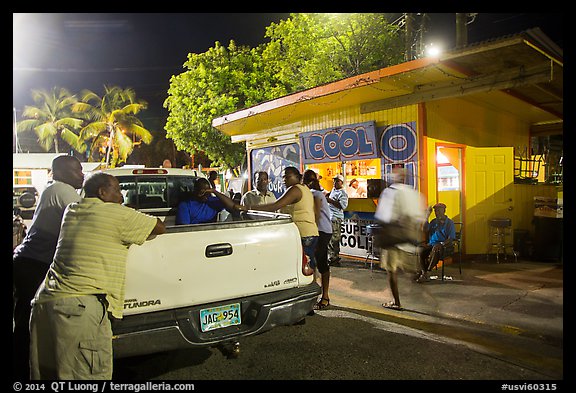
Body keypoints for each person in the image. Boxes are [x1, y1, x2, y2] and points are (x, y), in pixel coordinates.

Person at [29, 172, 166, 380]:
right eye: (118, 190)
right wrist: (129, 211)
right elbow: (159, 226)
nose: (121, 196)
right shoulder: (116, 214)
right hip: (78, 311)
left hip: (45, 305)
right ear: (102, 192)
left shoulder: (72, 210)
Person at [12, 155, 84, 380]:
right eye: (77, 170)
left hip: (28, 262)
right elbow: (88, 216)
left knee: (27, 319)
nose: (81, 174)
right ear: (61, 172)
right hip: (34, 265)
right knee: (29, 323)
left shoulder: (52, 189)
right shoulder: (63, 190)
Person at [240, 166, 318, 273]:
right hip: (307, 232)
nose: (284, 180)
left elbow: (275, 206)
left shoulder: (295, 189)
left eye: (287, 177)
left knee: (302, 269)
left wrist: (247, 208)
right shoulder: (303, 189)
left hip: (302, 234)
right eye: (283, 177)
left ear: (296, 177)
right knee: (306, 267)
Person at [374, 165, 426, 310]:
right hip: (410, 239)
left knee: (392, 271)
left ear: (394, 178)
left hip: (393, 239)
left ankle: (396, 302)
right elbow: (420, 217)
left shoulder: (390, 192)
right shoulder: (415, 194)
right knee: (409, 269)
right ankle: (422, 295)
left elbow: (384, 216)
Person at [303, 169, 332, 310]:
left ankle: (325, 296)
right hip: (319, 230)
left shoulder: (315, 194)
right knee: (314, 262)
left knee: (320, 263)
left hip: (321, 231)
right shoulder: (313, 193)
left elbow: (316, 215)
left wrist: (311, 230)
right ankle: (313, 295)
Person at [416, 202, 456, 283]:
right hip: (431, 244)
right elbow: (424, 229)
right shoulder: (434, 222)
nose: (436, 213)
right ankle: (424, 272)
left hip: (444, 246)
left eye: (438, 210)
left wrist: (441, 244)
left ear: (444, 211)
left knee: (436, 248)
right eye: (435, 211)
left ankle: (426, 273)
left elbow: (451, 238)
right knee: (420, 249)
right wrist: (427, 216)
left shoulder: (449, 223)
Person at [176, 177, 242, 224]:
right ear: (195, 191)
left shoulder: (212, 202)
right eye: (202, 192)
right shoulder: (185, 205)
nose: (205, 195)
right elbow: (184, 229)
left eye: (207, 192)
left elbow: (232, 206)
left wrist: (215, 192)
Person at [326, 174, 348, 266]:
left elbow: (343, 206)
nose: (335, 183)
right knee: (330, 239)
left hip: (336, 218)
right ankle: (331, 257)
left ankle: (334, 259)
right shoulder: (333, 191)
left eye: (337, 181)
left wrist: (330, 200)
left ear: (341, 183)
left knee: (334, 239)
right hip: (330, 218)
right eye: (334, 181)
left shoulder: (343, 193)